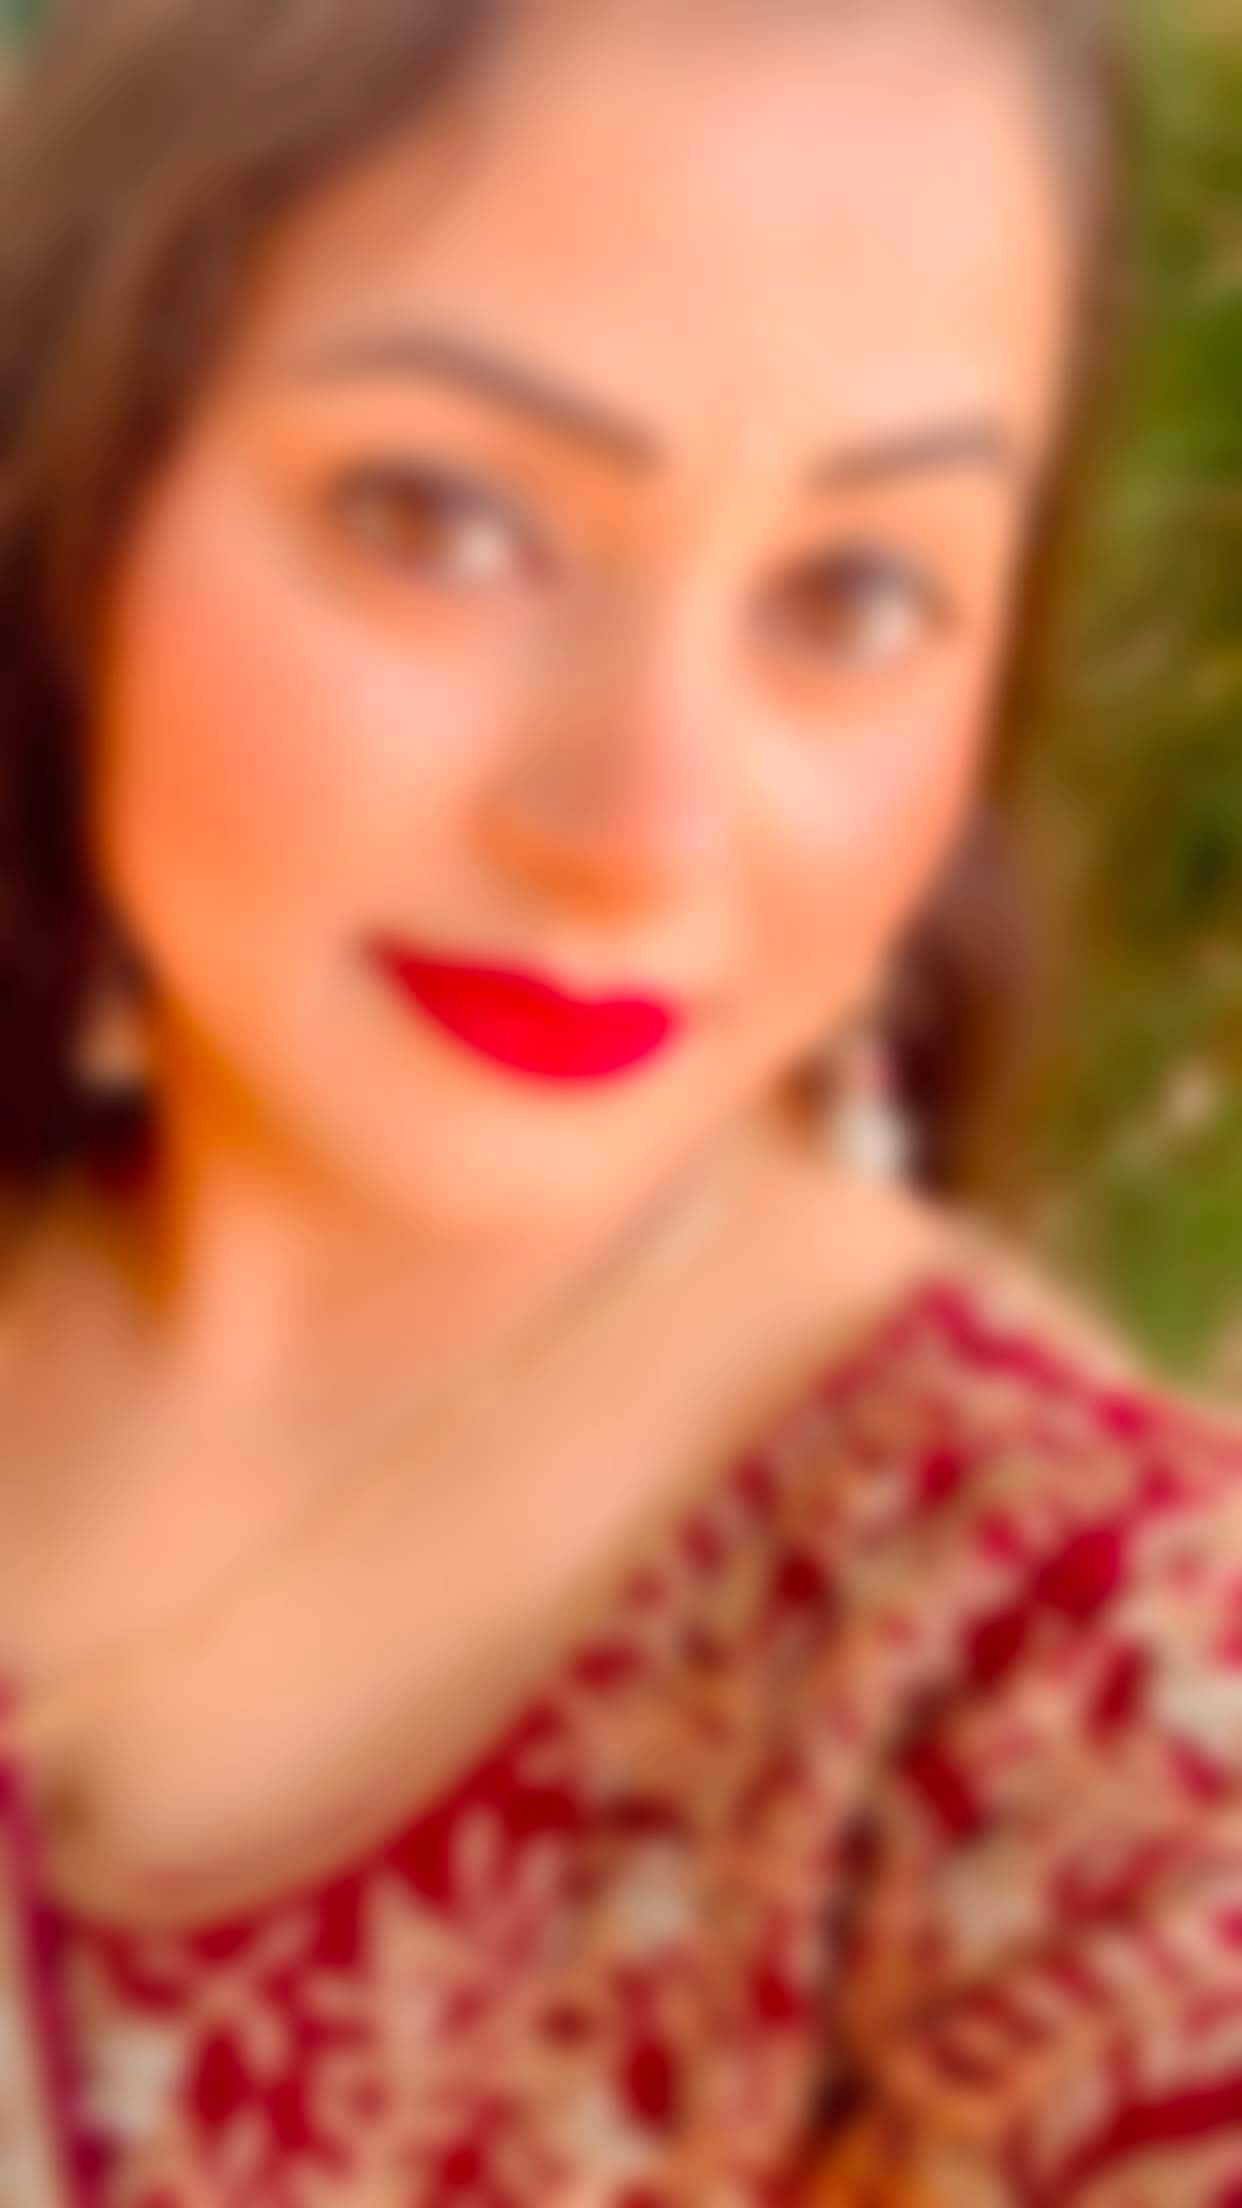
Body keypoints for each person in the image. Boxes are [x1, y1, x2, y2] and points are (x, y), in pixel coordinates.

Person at [2, 0, 1240, 2200]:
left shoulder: (1094, 1724)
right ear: (86, 470)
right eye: (439, 518)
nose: (638, 828)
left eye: (855, 593)